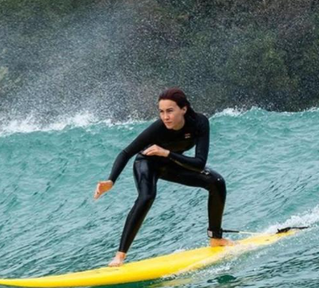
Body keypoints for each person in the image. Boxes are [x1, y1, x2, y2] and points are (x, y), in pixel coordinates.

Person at [94, 88, 232, 267]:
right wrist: (111, 180)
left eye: (170, 111)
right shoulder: (158, 128)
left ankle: (215, 238)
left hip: (170, 162)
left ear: (183, 109)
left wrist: (166, 153)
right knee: (147, 197)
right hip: (147, 164)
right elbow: (126, 152)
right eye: (161, 112)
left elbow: (199, 162)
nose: (165, 117)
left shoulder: (199, 123)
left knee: (216, 182)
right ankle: (119, 256)